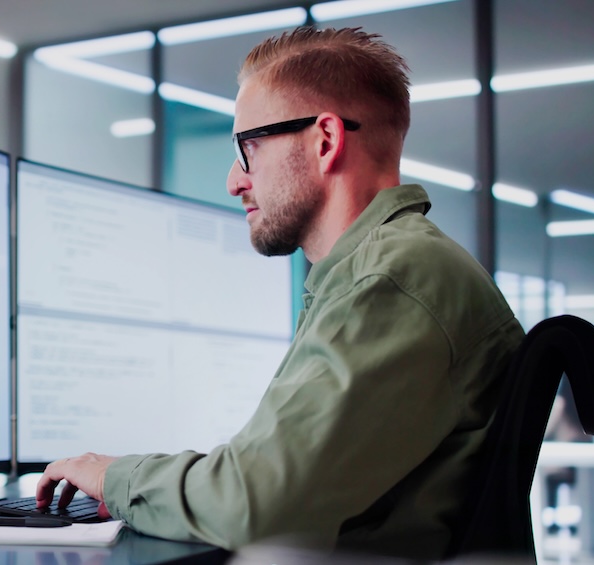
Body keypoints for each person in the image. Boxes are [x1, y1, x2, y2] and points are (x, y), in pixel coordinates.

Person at [35, 26, 525, 560]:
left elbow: (255, 504)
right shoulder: (382, 272)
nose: (234, 180)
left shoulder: (391, 282)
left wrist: (112, 478)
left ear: (325, 141)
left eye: (249, 147)